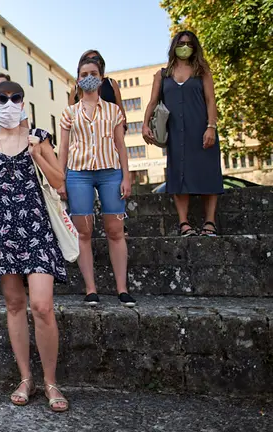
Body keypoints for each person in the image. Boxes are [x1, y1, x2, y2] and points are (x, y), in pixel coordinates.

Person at [0, 81, 68, 413]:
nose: (9, 103)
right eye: (2, 99)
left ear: (23, 102)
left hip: (37, 228)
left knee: (42, 306)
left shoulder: (40, 137)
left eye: (15, 98)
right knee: (15, 304)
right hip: (2, 230)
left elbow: (60, 181)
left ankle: (51, 381)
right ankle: (26, 378)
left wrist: (37, 155)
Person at [59, 58, 137, 308]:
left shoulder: (114, 111)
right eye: (84, 73)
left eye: (93, 73)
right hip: (78, 173)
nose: (88, 76)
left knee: (115, 230)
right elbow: (63, 148)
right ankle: (90, 289)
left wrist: (126, 176)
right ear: (78, 79)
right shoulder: (69, 112)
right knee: (84, 232)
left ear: (102, 78)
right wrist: (60, 180)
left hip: (110, 172)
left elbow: (120, 146)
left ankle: (122, 289)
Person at [143, 31, 222, 237]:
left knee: (209, 174)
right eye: (181, 43)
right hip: (176, 133)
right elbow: (152, 101)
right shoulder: (162, 74)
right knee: (178, 177)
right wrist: (144, 124)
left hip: (202, 130)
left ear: (194, 46)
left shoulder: (202, 71)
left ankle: (210, 222)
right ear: (174, 46)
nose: (185, 46)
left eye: (188, 43)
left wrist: (211, 127)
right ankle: (184, 223)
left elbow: (211, 101)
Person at [68, 50, 126, 126]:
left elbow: (120, 110)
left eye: (95, 58)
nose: (91, 61)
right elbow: (70, 117)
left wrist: (122, 127)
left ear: (101, 63)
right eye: (86, 59)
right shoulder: (75, 89)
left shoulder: (111, 83)